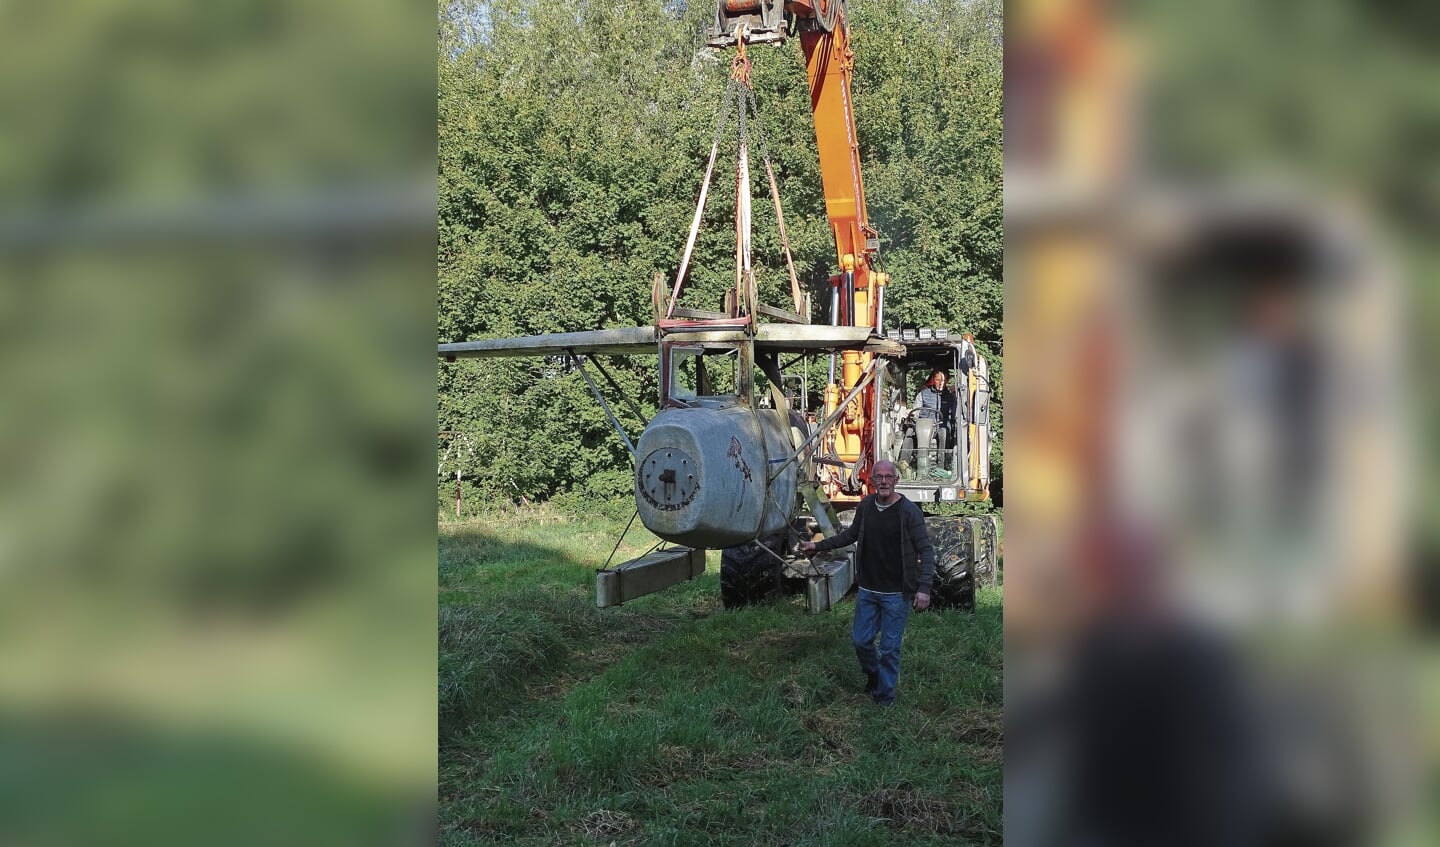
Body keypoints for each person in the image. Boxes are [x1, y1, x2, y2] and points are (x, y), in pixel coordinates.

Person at [798, 460, 935, 706]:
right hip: (868, 590)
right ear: (871, 481)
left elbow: (925, 550)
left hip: (896, 593)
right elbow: (849, 536)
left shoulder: (908, 512)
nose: (883, 481)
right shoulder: (866, 507)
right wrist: (816, 545)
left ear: (896, 480)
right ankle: (875, 677)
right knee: (861, 641)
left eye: (888, 477)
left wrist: (924, 588)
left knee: (890, 648)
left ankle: (885, 700)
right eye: (879, 477)